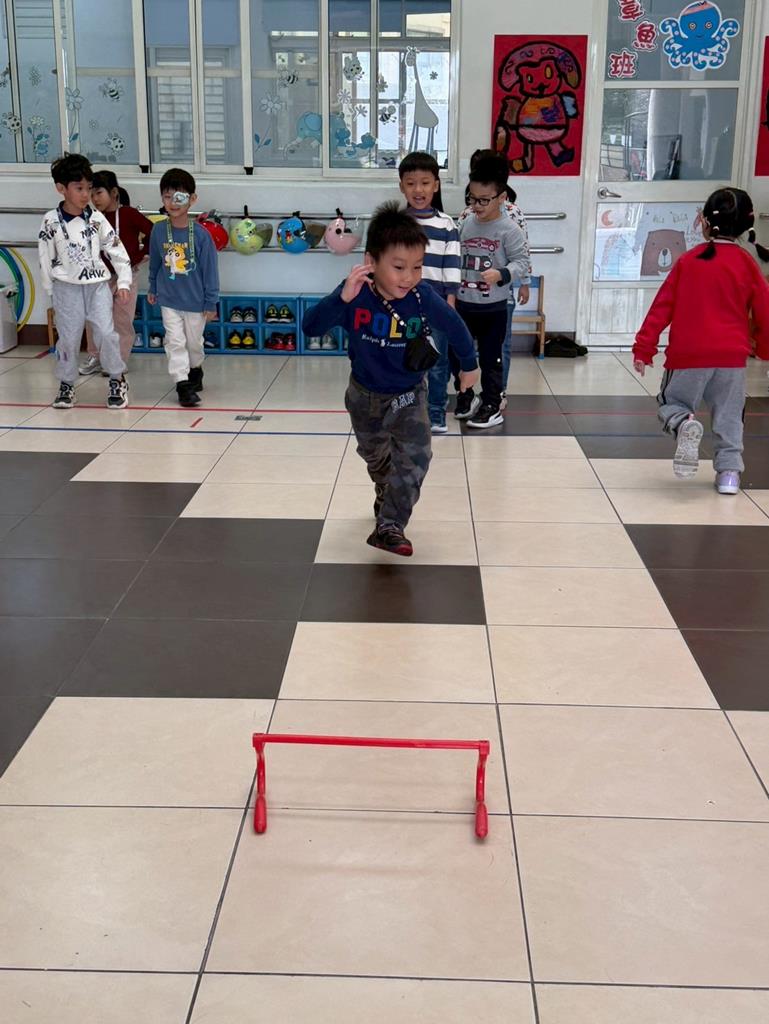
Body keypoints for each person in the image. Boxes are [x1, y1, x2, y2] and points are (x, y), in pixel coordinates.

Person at [302, 201, 479, 557]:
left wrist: (469, 365)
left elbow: (455, 326)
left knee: (416, 457)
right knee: (377, 460)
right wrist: (341, 298)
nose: (409, 277)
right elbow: (311, 327)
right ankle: (387, 495)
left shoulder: (422, 297)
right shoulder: (354, 294)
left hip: (409, 394)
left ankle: (390, 525)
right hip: (363, 395)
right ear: (371, 261)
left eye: (417, 266)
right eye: (399, 267)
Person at [633, 187, 769, 494]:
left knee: (671, 403)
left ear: (705, 222)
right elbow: (764, 309)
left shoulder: (689, 261)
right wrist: (764, 348)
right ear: (746, 226)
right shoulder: (747, 263)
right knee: (730, 417)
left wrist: (644, 347)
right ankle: (729, 475)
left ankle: (684, 424)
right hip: (731, 359)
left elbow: (662, 307)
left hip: (688, 355)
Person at [38, 153, 131, 410]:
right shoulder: (50, 220)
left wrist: (124, 282)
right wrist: (50, 289)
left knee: (106, 333)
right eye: (79, 188)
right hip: (65, 288)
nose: (85, 194)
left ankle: (117, 379)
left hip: (97, 286)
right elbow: (45, 256)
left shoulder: (97, 219)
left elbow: (117, 251)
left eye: (88, 188)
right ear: (61, 188)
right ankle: (66, 384)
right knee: (68, 337)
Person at [454, 153, 530, 428]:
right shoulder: (466, 223)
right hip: (464, 303)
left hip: (494, 307)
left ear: (502, 198)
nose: (476, 205)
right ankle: (466, 395)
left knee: (491, 358)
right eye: (472, 199)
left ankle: (491, 404)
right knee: (459, 354)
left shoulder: (509, 229)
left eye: (483, 200)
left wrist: (502, 274)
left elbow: (522, 261)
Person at [399, 150, 461, 434]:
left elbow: (452, 265)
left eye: (425, 183)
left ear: (436, 185)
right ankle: (405, 411)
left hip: (436, 303)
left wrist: (450, 302)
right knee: (403, 357)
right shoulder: (398, 223)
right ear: (402, 186)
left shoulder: (446, 224)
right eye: (411, 183)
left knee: (437, 360)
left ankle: (436, 413)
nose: (418, 190)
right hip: (401, 303)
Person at [147, 168, 219, 407]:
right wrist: (153, 287)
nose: (173, 202)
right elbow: (155, 263)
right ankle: (182, 384)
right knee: (175, 341)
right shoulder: (158, 231)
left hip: (196, 301)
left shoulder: (201, 235)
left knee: (194, 344)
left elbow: (210, 271)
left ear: (192, 199)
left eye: (179, 196)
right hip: (169, 299)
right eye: (167, 197)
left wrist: (211, 302)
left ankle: (195, 368)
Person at [80, 170, 154, 376]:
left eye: (99, 193)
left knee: (122, 319)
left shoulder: (129, 214)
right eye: (91, 194)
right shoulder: (92, 218)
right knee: (94, 318)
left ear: (113, 193)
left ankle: (118, 361)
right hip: (98, 277)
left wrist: (142, 254)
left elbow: (153, 232)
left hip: (126, 276)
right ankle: (96, 356)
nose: (95, 199)